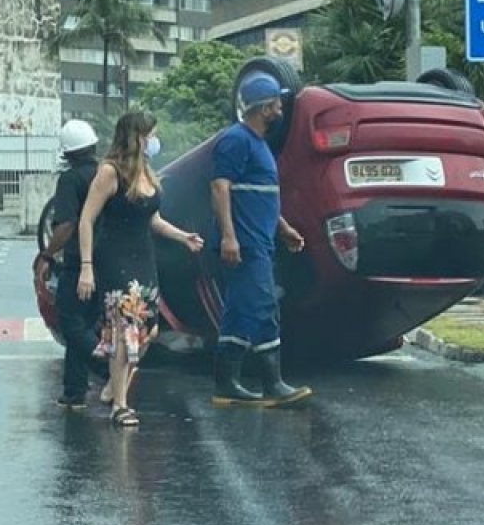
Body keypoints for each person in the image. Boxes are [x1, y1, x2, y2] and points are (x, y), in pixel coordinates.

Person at [76, 112, 204, 427]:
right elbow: (86, 219)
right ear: (136, 136)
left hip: (143, 257)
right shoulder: (110, 172)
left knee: (148, 329)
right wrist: (87, 266)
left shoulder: (145, 171)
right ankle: (120, 404)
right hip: (115, 259)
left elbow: (153, 219)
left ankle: (113, 384)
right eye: (150, 135)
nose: (154, 141)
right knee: (124, 329)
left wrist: (182, 236)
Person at [210, 74, 311, 407]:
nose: (280, 108)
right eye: (275, 103)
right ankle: (273, 384)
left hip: (261, 241)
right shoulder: (236, 140)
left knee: (239, 312)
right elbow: (220, 187)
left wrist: (283, 229)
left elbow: (264, 196)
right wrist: (229, 236)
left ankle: (226, 383)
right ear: (263, 107)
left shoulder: (259, 144)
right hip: (247, 245)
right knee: (265, 307)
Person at [35, 119, 111, 410]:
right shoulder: (107, 175)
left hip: (80, 263)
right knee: (87, 322)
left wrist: (47, 254)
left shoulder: (70, 180)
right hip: (107, 261)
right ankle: (74, 390)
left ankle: (107, 364)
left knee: (70, 324)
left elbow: (66, 225)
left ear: (67, 152)